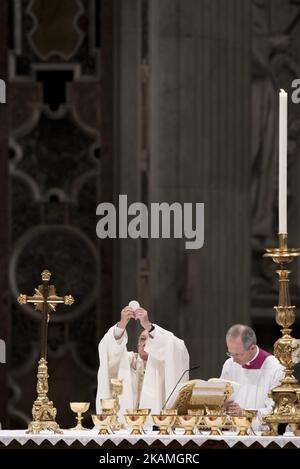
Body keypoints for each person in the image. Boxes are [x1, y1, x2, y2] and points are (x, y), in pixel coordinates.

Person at [95, 305, 190, 420]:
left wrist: (149, 327)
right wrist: (121, 325)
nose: (146, 343)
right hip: (125, 427)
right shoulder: (128, 362)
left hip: (157, 427)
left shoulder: (164, 364)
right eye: (143, 339)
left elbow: (178, 348)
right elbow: (108, 350)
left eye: (151, 338)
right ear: (138, 345)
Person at [220, 324, 284, 428]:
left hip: (261, 435)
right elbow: (222, 400)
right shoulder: (229, 364)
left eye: (238, 354)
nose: (234, 359)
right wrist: (222, 406)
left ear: (252, 348)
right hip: (231, 432)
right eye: (230, 353)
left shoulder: (275, 368)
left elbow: (275, 410)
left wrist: (245, 414)